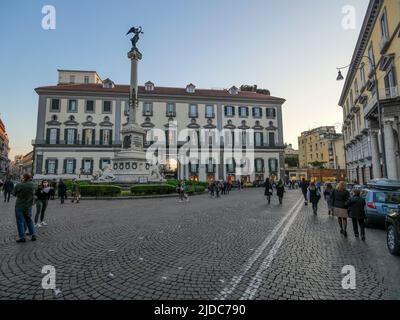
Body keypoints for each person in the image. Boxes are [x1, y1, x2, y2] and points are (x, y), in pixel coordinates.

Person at [13, 173, 37, 243]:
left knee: (20, 221)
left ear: (23, 177)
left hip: (19, 205)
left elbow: (14, 194)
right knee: (29, 220)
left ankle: (22, 237)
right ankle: (33, 235)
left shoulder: (19, 185)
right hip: (28, 206)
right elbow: (34, 192)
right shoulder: (33, 184)